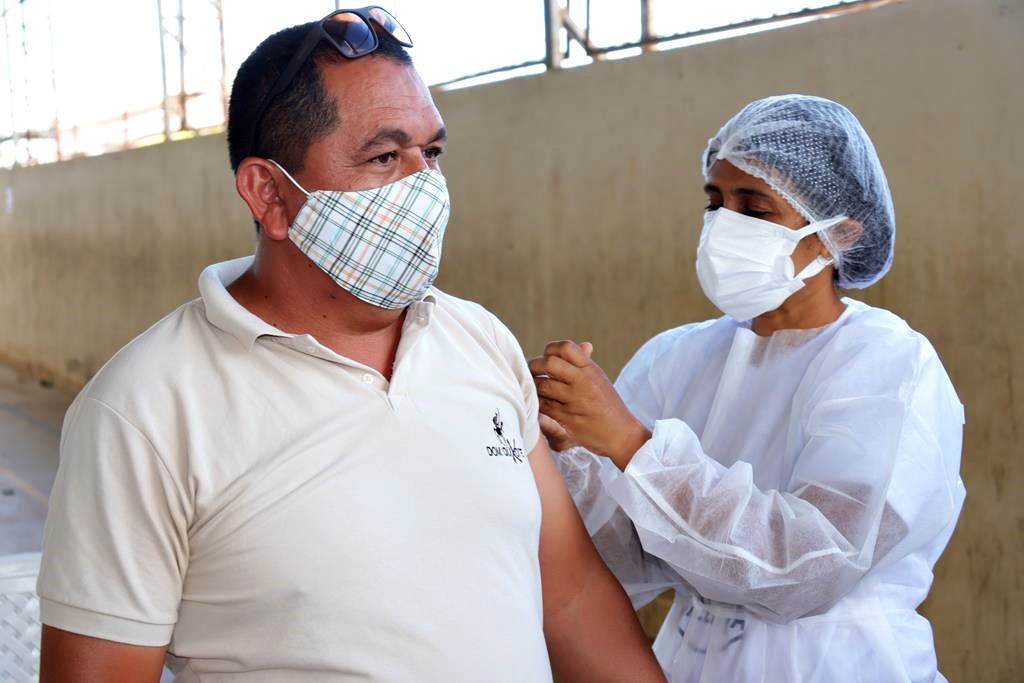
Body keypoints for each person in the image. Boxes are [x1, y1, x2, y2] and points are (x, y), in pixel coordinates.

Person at [36, 8, 666, 682]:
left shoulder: (480, 342)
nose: (424, 187)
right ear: (270, 194)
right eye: (385, 156)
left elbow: (569, 595)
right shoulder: (146, 407)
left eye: (433, 153)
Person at [531, 94, 966, 682]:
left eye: (754, 210)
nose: (724, 225)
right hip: (692, 663)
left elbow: (811, 568)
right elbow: (620, 560)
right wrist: (572, 449)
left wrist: (633, 447)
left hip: (839, 667)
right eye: (715, 203)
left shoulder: (884, 362)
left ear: (835, 233)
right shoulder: (677, 356)